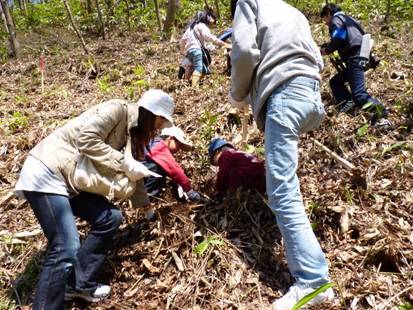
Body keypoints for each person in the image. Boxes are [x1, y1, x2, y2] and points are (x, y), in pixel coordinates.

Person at [14, 89, 175, 309]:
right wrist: (122, 162)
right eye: (161, 121)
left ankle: (79, 284)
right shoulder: (117, 110)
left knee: (111, 217)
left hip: (71, 179)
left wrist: (146, 208)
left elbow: (134, 173)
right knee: (65, 245)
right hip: (47, 171)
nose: (159, 128)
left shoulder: (135, 133)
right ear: (152, 112)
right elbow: (86, 139)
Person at [229, 0, 335, 308]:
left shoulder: (249, 3)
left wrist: (237, 93)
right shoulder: (292, 10)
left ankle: (314, 282)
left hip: (284, 97)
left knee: (282, 191)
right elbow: (318, 58)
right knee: (286, 181)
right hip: (311, 99)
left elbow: (245, 52)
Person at [320, 4, 389, 124]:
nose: (326, 24)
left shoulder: (336, 19)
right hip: (362, 55)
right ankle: (349, 105)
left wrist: (326, 50)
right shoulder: (349, 19)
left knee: (358, 94)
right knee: (335, 81)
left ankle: (380, 112)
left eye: (325, 20)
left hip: (355, 57)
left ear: (328, 13)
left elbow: (339, 38)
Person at [142, 126, 201, 202]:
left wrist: (178, 183)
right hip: (140, 174)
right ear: (170, 139)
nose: (178, 149)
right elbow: (174, 169)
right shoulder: (160, 147)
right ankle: (146, 201)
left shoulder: (152, 143)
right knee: (159, 168)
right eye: (178, 145)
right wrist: (189, 190)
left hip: (136, 175)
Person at [179, 10, 231, 86]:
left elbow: (182, 40)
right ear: (208, 17)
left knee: (203, 69)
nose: (213, 22)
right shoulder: (201, 25)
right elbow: (209, 37)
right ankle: (194, 88)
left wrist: (182, 51)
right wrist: (223, 43)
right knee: (199, 68)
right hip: (196, 50)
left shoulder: (190, 28)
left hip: (189, 51)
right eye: (213, 19)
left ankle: (190, 83)